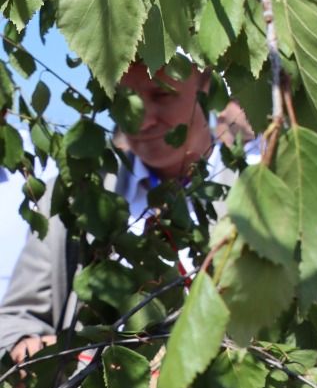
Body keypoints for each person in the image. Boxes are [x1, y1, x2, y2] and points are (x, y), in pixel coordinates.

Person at [0, 61, 220, 366]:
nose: (141, 121)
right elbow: (15, 319)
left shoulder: (256, 202)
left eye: (162, 95)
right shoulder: (72, 195)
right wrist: (25, 350)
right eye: (123, 97)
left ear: (206, 85)